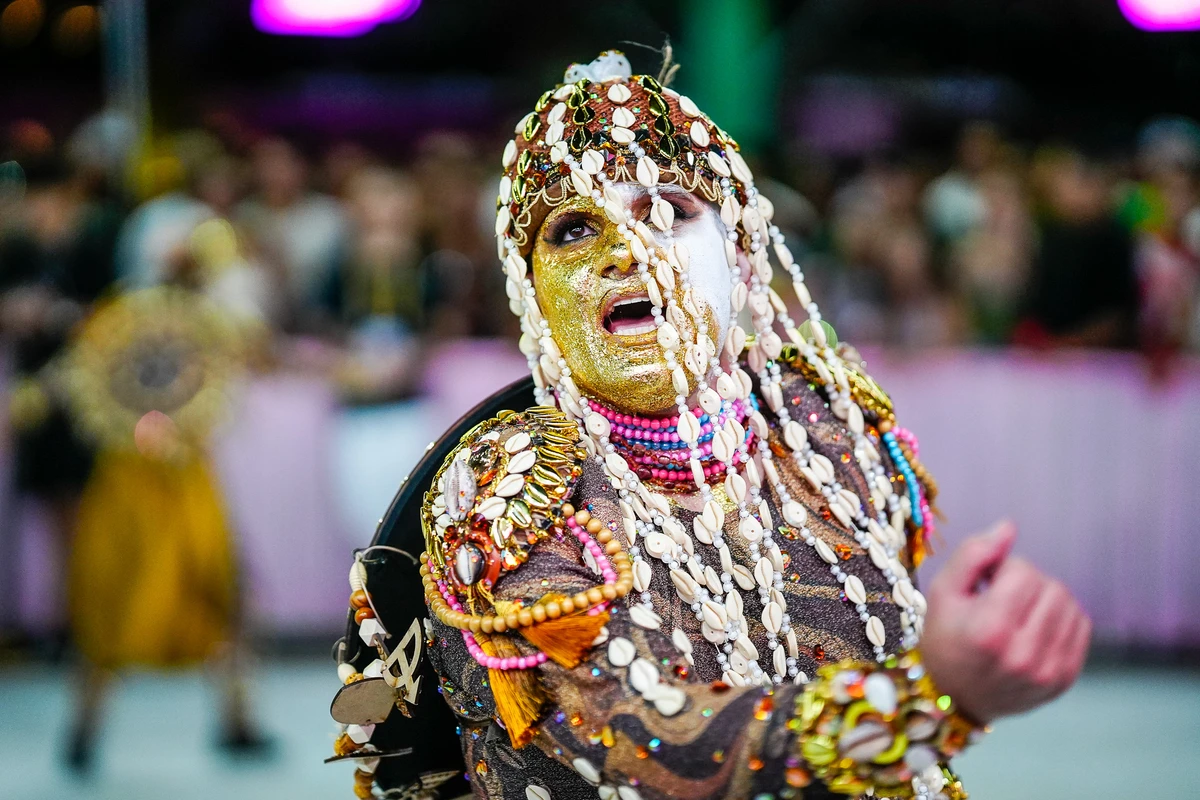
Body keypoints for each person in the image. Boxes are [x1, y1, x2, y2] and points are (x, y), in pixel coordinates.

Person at [327, 52, 1090, 800]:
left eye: (669, 211)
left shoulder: (825, 429)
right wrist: (926, 702)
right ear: (533, 295)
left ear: (743, 254)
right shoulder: (514, 491)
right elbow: (640, 740)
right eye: (571, 231)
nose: (626, 250)